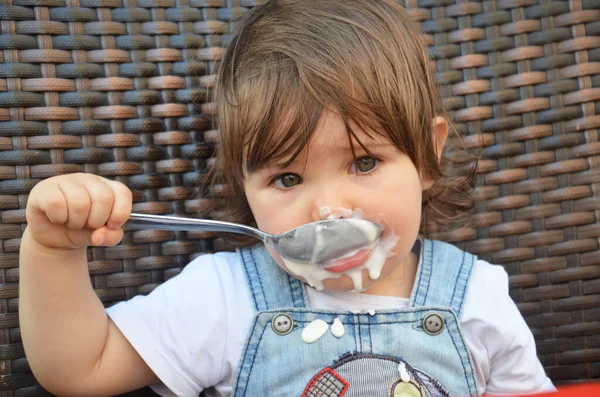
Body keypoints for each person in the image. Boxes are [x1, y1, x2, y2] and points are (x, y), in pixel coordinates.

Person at [19, 1, 556, 396]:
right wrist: (53, 252)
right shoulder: (225, 299)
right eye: (288, 179)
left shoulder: (477, 302)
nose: (329, 209)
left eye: (363, 162)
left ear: (427, 157)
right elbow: (80, 369)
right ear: (244, 188)